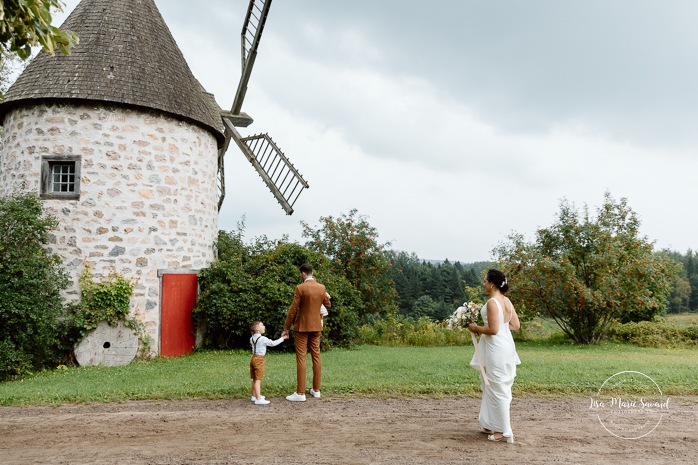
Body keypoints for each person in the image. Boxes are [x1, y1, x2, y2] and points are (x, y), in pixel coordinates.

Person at [468, 269, 521, 443]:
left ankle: (505, 432)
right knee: (495, 385)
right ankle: (489, 423)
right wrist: (502, 331)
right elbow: (515, 325)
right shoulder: (506, 301)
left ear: (492, 284)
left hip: (496, 350)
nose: (483, 283)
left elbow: (493, 330)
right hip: (506, 346)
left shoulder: (492, 302)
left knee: (498, 387)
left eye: (485, 281)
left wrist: (475, 328)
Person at [282, 263, 331, 402]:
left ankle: (301, 393)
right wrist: (326, 295)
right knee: (316, 356)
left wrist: (286, 327)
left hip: (302, 327)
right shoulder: (321, 288)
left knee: (301, 358)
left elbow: (293, 310)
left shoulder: (300, 288)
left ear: (303, 273)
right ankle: (316, 390)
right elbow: (328, 305)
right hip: (316, 327)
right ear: (311, 272)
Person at [249, 321, 287, 405]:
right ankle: (258, 399)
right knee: (258, 379)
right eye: (262, 325)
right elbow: (273, 343)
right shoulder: (263, 339)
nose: (264, 326)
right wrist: (282, 338)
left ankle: (254, 395)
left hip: (253, 358)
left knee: (254, 378)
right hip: (259, 359)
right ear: (257, 329)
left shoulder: (251, 338)